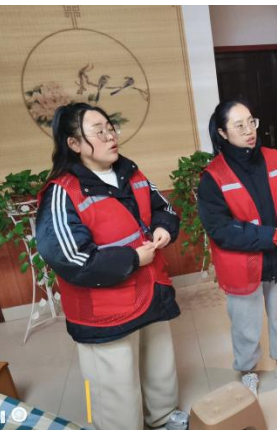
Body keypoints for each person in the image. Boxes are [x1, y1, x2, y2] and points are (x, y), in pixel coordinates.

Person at [36, 103, 188, 430]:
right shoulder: (62, 192)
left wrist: (163, 227)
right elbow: (68, 257)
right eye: (99, 132)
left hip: (149, 290)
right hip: (104, 309)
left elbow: (163, 208)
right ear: (74, 144)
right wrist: (133, 259)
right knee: (113, 385)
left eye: (110, 128)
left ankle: (163, 416)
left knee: (158, 362)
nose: (110, 137)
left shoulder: (131, 172)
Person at [198, 101, 277, 397]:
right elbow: (220, 229)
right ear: (222, 132)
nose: (249, 130)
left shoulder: (275, 158)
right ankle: (248, 371)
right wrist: (271, 236)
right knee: (245, 324)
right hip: (242, 265)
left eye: (251, 122)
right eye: (239, 125)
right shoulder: (213, 176)